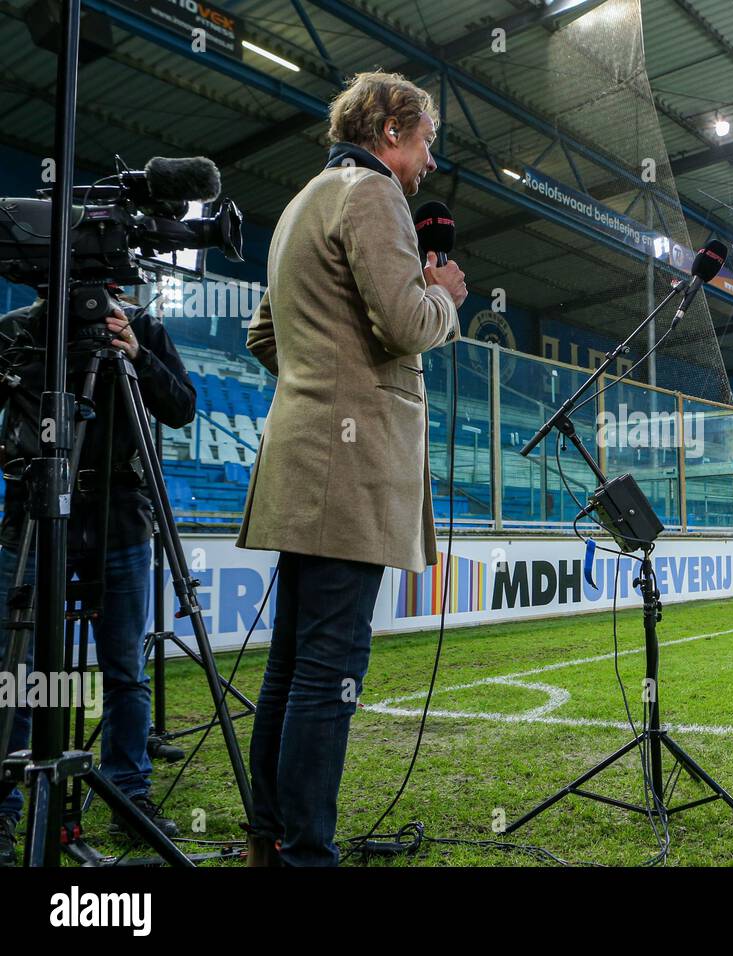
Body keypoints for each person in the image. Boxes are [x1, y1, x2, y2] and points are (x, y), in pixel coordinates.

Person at [237, 70, 466, 867]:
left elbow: (263, 335)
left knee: (293, 666)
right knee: (328, 672)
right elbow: (406, 321)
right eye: (426, 143)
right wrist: (445, 296)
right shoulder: (373, 196)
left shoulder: (302, 201)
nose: (428, 163)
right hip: (350, 465)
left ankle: (268, 841)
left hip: (301, 454)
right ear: (392, 131)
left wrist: (321, 373)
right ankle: (307, 855)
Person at [0, 291, 197, 865]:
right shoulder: (15, 330)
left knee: (125, 669)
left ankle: (129, 796)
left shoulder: (137, 327)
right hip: (33, 516)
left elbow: (182, 406)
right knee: (17, 669)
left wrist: (137, 354)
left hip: (119, 517)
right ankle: (7, 809)